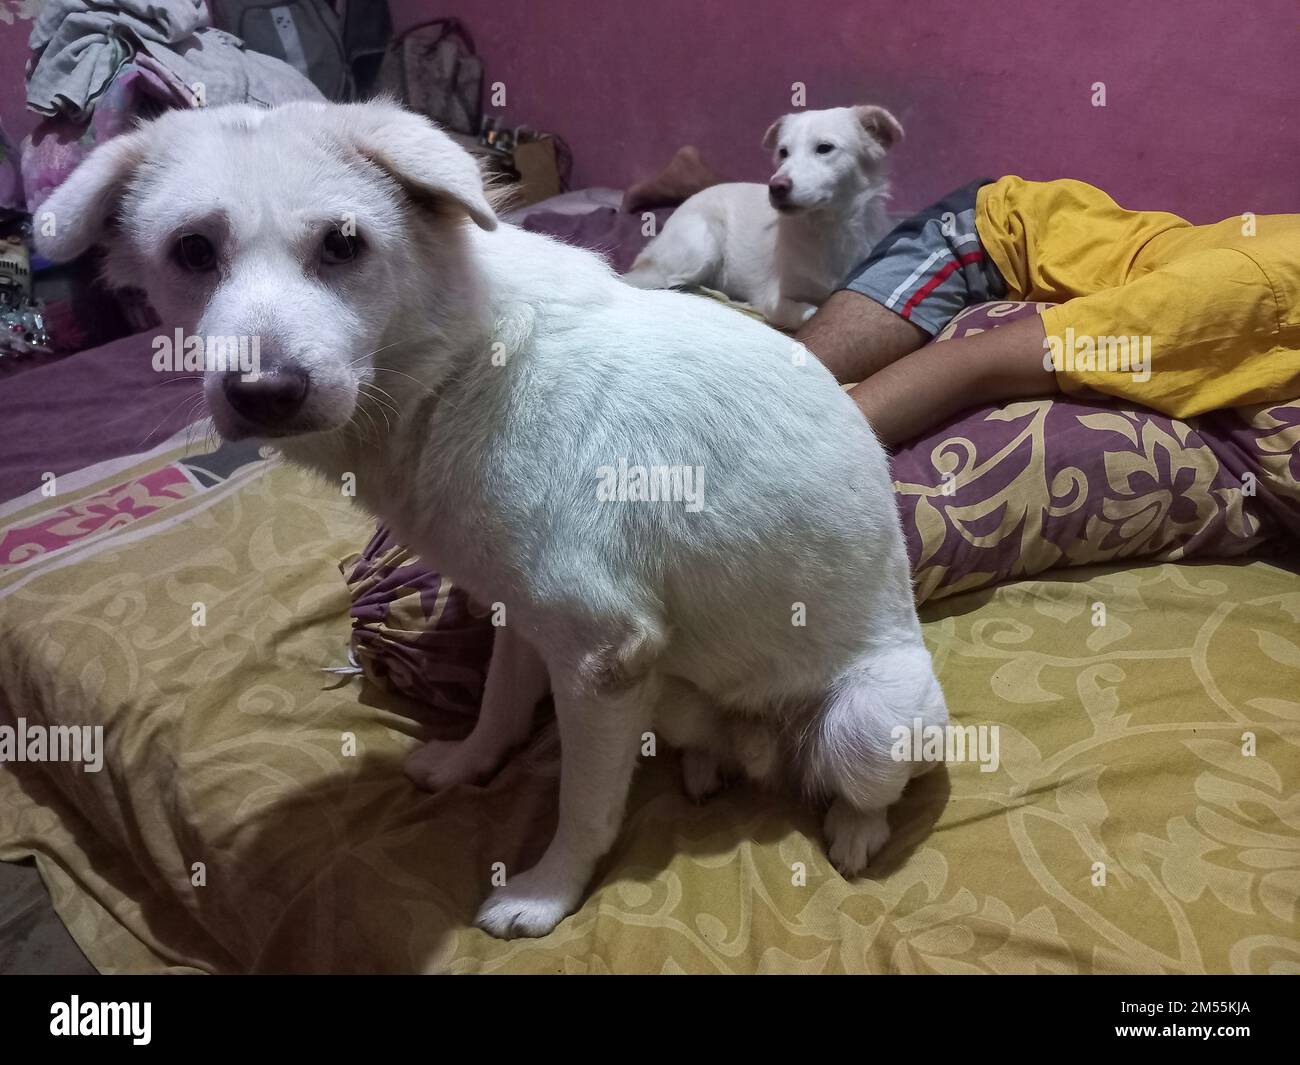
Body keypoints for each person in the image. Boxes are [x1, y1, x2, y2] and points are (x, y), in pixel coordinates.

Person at [794, 176, 1300, 446]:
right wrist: (792, 462)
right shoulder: (1242, 296)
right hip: (982, 238)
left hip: (1113, 241)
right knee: (781, 383)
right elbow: (973, 364)